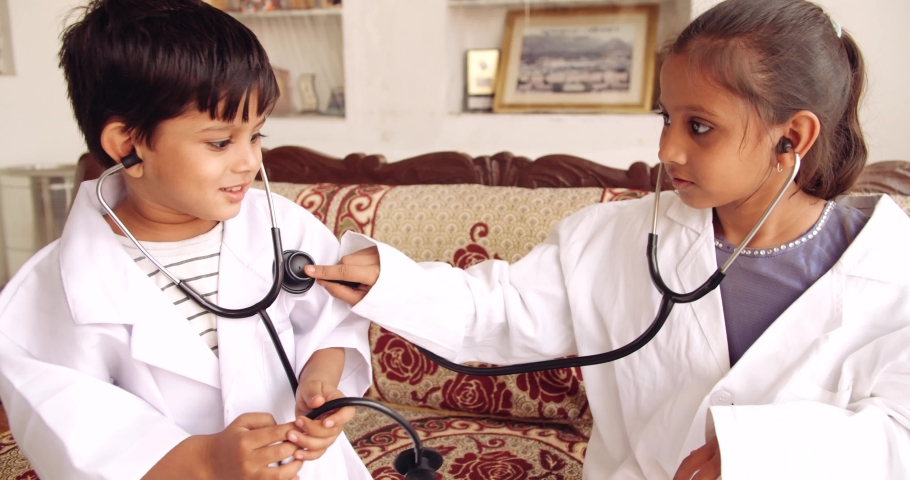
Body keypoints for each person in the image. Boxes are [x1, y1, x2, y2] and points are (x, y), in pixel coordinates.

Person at [306, 0, 910, 478]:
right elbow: (500, 312)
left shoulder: (893, 269)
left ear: (794, 137)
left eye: (700, 127)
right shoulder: (615, 239)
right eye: (665, 119)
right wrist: (392, 281)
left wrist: (765, 456)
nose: (667, 150)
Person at [0, 1, 372, 479]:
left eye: (256, 135)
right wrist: (206, 461)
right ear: (128, 144)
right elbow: (77, 434)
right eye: (220, 142)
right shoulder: (47, 297)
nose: (249, 162)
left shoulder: (283, 226)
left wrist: (322, 384)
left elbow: (330, 321)